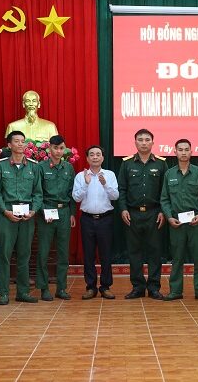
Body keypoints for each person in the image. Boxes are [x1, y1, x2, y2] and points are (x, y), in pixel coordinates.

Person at [0, 130, 42, 304]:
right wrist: (4, 211)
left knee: (24, 255)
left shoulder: (34, 166)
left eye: (23, 141)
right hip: (7, 215)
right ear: (9, 145)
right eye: (17, 141)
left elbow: (38, 193)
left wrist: (34, 211)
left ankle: (23, 292)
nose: (21, 144)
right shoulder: (0, 166)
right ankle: (3, 293)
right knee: (5, 255)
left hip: (27, 216)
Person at [117, 129, 167, 300]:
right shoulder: (127, 163)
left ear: (153, 142)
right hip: (132, 214)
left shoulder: (161, 163)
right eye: (140, 140)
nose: (144, 143)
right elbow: (121, 189)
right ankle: (137, 287)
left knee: (155, 251)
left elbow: (165, 191)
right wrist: (123, 209)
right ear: (135, 142)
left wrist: (163, 211)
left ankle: (154, 287)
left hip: (154, 214)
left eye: (147, 140)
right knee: (134, 252)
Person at [161, 139, 198, 302]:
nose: (183, 152)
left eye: (186, 149)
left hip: (196, 222)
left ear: (191, 152)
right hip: (176, 223)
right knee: (177, 258)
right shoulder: (169, 174)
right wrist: (169, 217)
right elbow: (164, 199)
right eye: (180, 149)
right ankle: (175, 291)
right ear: (175, 152)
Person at [73, 145, 119, 300]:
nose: (95, 157)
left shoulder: (110, 175)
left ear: (103, 158)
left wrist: (105, 184)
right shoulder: (80, 176)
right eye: (91, 154)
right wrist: (86, 183)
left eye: (98, 154)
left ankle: (105, 287)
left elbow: (115, 196)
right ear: (87, 158)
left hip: (105, 219)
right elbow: (76, 198)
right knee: (88, 255)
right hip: (87, 220)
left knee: (106, 254)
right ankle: (91, 287)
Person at [36, 135, 76, 301]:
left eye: (61, 148)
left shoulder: (68, 168)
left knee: (63, 253)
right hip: (47, 211)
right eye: (55, 148)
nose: (58, 151)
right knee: (43, 253)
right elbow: (37, 193)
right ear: (49, 149)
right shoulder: (40, 167)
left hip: (64, 212)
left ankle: (61, 288)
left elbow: (72, 193)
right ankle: (44, 288)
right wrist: (44, 211)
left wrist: (72, 213)